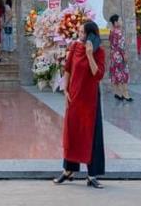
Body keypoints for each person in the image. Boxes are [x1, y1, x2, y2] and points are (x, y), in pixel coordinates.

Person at [55, 20, 106, 188]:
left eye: (83, 32)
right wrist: (66, 90)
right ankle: (68, 170)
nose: (80, 34)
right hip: (74, 96)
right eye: (80, 32)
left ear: (91, 35)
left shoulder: (99, 52)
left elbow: (97, 74)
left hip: (90, 98)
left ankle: (92, 175)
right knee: (72, 132)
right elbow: (68, 69)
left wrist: (90, 54)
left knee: (92, 135)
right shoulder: (75, 47)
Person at [107, 14, 131, 101]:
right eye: (120, 20)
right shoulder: (118, 32)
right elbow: (121, 46)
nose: (121, 22)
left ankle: (118, 93)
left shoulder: (111, 32)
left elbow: (111, 45)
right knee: (123, 74)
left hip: (113, 55)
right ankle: (125, 94)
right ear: (115, 22)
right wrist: (124, 55)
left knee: (115, 74)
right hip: (119, 56)